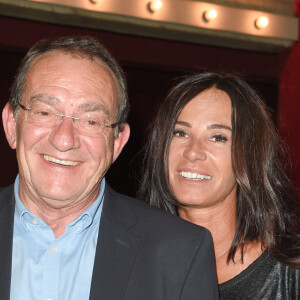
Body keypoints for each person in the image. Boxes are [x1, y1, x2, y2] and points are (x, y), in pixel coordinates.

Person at [1, 37, 219, 300]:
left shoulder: (180, 253)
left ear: (117, 142)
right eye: (45, 112)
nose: (64, 139)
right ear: (12, 124)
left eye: (91, 121)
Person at [139, 72, 300, 299]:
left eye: (218, 137)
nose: (193, 152)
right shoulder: (131, 264)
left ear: (248, 156)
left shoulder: (290, 274)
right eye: (180, 132)